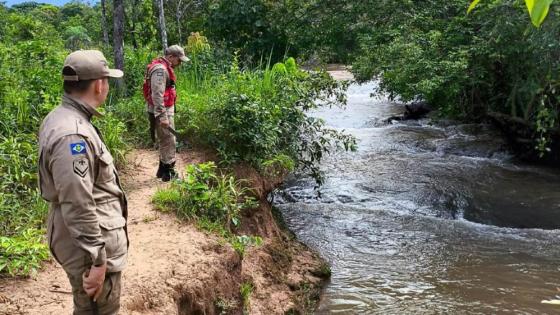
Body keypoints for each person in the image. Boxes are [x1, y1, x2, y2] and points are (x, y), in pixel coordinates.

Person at [38, 50, 128, 315]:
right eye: (107, 81)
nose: (107, 87)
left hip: (81, 239)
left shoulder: (60, 117)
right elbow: (77, 201)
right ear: (99, 84)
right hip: (88, 247)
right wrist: (98, 260)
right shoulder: (73, 135)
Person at [143, 44, 189, 181]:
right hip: (161, 111)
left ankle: (162, 171)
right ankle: (169, 173)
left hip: (163, 109)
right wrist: (163, 116)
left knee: (165, 139)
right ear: (170, 57)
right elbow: (157, 95)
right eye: (179, 60)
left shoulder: (163, 67)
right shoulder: (160, 70)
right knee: (169, 140)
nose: (180, 63)